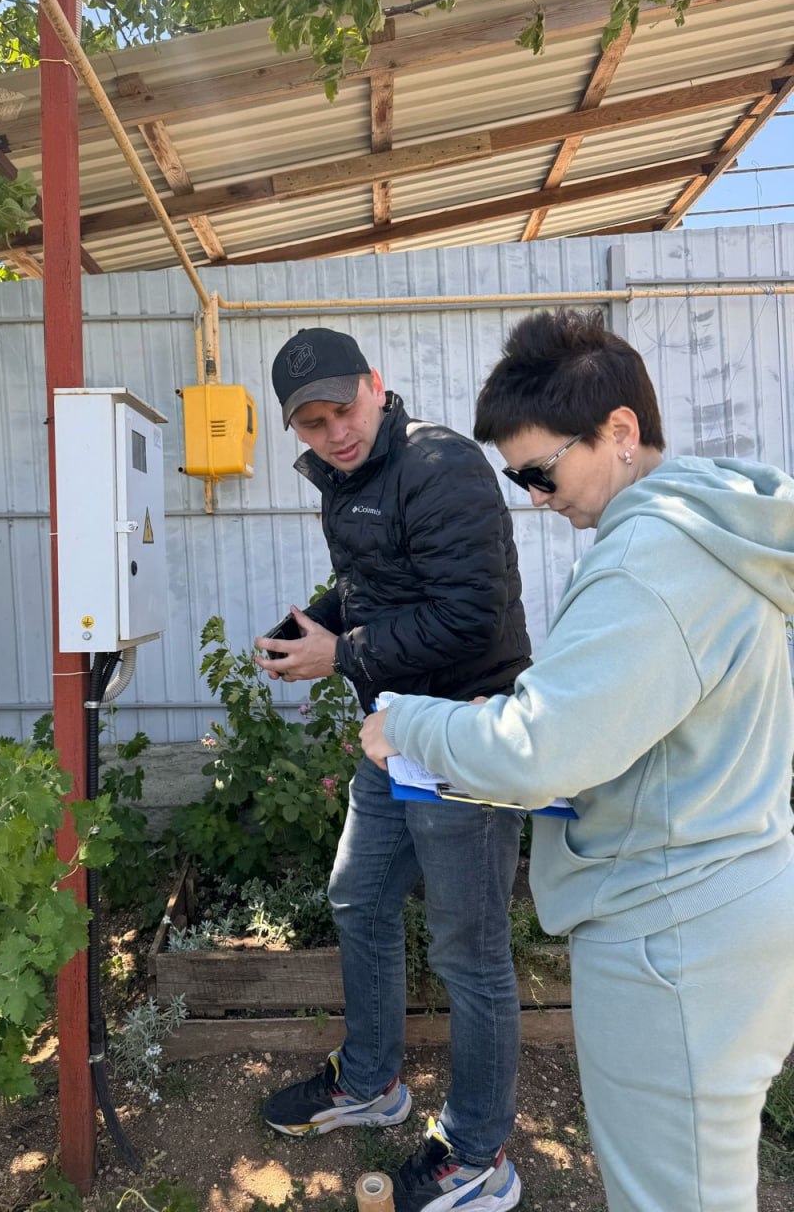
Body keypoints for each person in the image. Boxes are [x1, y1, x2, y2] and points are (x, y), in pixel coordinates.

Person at [360, 307, 794, 1212]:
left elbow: (537, 756)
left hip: (672, 934)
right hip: (727, 895)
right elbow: (627, 714)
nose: (532, 497)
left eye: (540, 471)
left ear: (620, 432)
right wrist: (526, 708)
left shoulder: (649, 557)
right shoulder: (712, 525)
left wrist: (409, 723)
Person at [253, 326, 531, 1212]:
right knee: (359, 895)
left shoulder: (439, 463)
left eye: (346, 408)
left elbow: (472, 617)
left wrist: (342, 654)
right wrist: (317, 620)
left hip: (464, 729)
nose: (335, 431)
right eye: (313, 422)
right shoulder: (345, 481)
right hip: (393, 734)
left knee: (470, 951)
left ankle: (479, 1154)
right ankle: (370, 1081)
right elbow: (376, 585)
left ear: (378, 384)